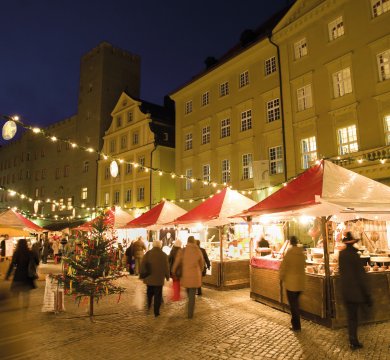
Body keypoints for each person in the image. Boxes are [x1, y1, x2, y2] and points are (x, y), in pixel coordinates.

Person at [339, 231, 372, 350]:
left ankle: (352, 339)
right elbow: (360, 276)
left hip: (346, 290)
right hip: (355, 292)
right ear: (353, 243)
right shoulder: (354, 255)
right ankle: (353, 341)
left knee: (351, 316)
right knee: (354, 317)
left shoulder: (342, 255)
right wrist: (367, 294)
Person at [172, 236, 204, 319]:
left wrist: (173, 270)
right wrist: (200, 270)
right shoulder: (198, 250)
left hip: (185, 275)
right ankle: (190, 312)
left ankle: (190, 308)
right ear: (194, 242)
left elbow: (177, 261)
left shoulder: (183, 250)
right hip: (195, 276)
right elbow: (202, 263)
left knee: (189, 291)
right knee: (192, 294)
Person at [279, 235, 305, 332]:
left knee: (293, 305)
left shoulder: (289, 253)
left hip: (291, 284)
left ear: (290, 242)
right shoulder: (301, 253)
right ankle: (296, 323)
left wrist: (281, 278)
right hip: (301, 283)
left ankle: (296, 326)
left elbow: (283, 267)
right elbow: (304, 265)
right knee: (296, 304)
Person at [5, 238, 39, 309]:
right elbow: (37, 262)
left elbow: (12, 264)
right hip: (28, 276)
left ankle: (16, 306)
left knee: (16, 292)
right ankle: (25, 307)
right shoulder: (30, 252)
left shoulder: (17, 253)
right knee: (26, 292)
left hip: (18, 275)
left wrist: (8, 275)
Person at [139, 240, 170, 317]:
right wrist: (167, 276)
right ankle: (156, 312)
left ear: (153, 245)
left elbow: (142, 264)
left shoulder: (148, 254)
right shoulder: (164, 255)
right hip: (159, 279)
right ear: (160, 246)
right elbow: (166, 267)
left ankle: (149, 306)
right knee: (158, 296)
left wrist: (142, 274)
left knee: (149, 294)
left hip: (149, 279)